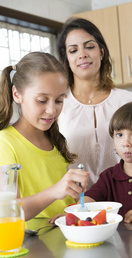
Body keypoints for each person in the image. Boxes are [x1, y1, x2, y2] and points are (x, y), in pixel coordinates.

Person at [0, 52, 89, 230]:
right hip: (34, 247)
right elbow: (6, 212)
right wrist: (55, 191)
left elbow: (61, 204)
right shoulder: (5, 142)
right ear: (17, 94)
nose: (51, 110)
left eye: (59, 100)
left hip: (63, 239)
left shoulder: (54, 140)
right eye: (42, 100)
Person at [57, 17, 132, 188]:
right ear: (67, 59)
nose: (82, 54)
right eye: (73, 50)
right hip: (75, 203)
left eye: (89, 46)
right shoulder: (57, 103)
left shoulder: (127, 100)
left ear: (101, 52)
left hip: (123, 199)